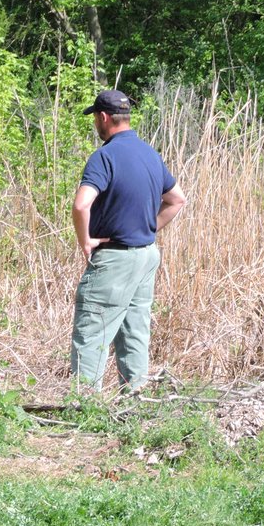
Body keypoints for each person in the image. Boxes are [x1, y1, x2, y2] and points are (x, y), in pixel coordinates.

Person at [70, 89, 187, 391]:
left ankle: (84, 406)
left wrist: (85, 241)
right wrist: (148, 227)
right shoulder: (150, 153)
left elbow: (81, 205)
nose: (96, 123)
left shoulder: (104, 157)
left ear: (104, 117)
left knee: (92, 328)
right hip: (146, 255)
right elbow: (177, 200)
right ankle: (136, 399)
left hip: (115, 257)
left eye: (96, 117)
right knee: (134, 330)